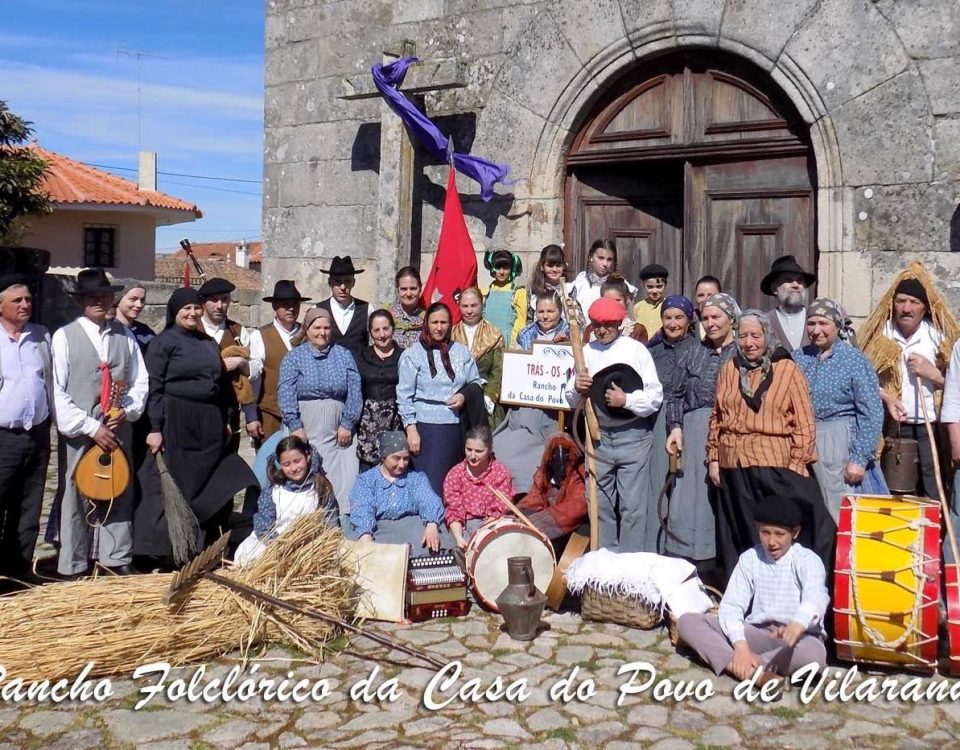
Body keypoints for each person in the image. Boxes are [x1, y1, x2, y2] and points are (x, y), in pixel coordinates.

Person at [707, 310, 834, 579]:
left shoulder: (786, 369)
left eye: (756, 335)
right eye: (742, 336)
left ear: (768, 336)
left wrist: (797, 463)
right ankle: (746, 597)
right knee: (742, 533)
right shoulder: (729, 369)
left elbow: (804, 419)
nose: (749, 343)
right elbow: (717, 417)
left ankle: (797, 592)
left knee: (788, 531)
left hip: (776, 467)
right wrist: (714, 457)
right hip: (735, 466)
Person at [136, 287, 259, 564]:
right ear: (175, 312)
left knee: (213, 481)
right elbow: (154, 387)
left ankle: (206, 547)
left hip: (209, 424)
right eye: (186, 309)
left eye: (195, 308)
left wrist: (228, 419)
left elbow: (222, 384)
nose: (192, 313)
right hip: (177, 423)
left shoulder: (207, 342)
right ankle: (173, 552)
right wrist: (154, 427)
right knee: (182, 487)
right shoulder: (164, 343)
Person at [49, 268, 148, 576]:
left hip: (118, 427)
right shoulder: (64, 337)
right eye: (93, 297)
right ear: (81, 302)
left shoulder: (124, 335)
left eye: (105, 296)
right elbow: (58, 392)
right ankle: (73, 564)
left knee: (118, 489)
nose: (100, 302)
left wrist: (125, 412)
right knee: (74, 494)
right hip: (81, 431)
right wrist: (91, 427)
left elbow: (139, 381)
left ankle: (116, 558)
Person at [676, 495, 829, 685]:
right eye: (765, 532)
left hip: (796, 638)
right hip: (757, 633)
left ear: (795, 533)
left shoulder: (807, 560)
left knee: (813, 655)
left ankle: (752, 665)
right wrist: (740, 646)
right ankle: (746, 669)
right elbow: (732, 604)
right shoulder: (750, 558)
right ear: (758, 529)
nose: (771, 541)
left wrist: (798, 623)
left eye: (779, 534)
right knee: (688, 622)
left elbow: (816, 595)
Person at [566, 296, 663, 551]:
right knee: (599, 504)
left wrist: (626, 399)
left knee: (632, 507)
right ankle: (604, 563)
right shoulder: (584, 352)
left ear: (620, 323)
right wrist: (577, 387)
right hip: (597, 438)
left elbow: (654, 396)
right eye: (597, 324)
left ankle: (629, 568)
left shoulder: (636, 350)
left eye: (608, 324)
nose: (601, 329)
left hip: (633, 436)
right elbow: (568, 396)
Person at [860, 263, 957, 503]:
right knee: (894, 489)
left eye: (914, 302)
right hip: (891, 429)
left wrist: (933, 374)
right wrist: (887, 397)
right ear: (892, 304)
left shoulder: (939, 339)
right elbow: (860, 381)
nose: (906, 308)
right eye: (901, 301)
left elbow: (956, 387)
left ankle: (934, 536)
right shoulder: (879, 338)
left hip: (930, 427)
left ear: (925, 308)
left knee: (932, 487)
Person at [794, 298, 887, 522]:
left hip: (840, 441)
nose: (816, 330)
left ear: (837, 325)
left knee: (841, 511)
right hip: (804, 441)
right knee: (811, 514)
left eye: (823, 323)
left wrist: (859, 458)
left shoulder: (854, 360)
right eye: (811, 323)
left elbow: (871, 411)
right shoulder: (798, 357)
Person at [663, 293, 739, 569]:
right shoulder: (693, 351)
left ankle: (726, 567)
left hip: (732, 431)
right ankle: (691, 564)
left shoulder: (743, 351)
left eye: (716, 317)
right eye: (706, 318)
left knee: (726, 496)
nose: (711, 323)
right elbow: (675, 394)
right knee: (691, 499)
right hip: (694, 431)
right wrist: (675, 428)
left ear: (731, 318)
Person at [278, 307, 361, 522]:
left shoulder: (343, 355)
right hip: (305, 423)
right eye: (317, 328)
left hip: (337, 425)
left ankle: (339, 521)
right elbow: (286, 391)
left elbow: (354, 389)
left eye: (326, 328)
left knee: (342, 475)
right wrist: (295, 426)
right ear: (307, 329)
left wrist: (348, 423)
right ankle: (305, 520)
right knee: (305, 470)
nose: (322, 332)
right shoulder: (294, 357)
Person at [396, 302, 485, 495]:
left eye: (443, 322)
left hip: (455, 427)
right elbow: (404, 396)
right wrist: (411, 430)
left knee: (451, 485)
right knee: (430, 485)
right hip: (425, 428)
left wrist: (463, 395)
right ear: (426, 324)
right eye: (434, 322)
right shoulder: (412, 355)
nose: (439, 327)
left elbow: (476, 383)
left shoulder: (461, 352)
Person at [0, 274, 52, 582]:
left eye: (28, 299)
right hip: (3, 436)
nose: (25, 305)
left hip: (37, 435)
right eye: (17, 300)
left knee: (29, 507)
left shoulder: (41, 336)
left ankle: (17, 571)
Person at [644, 295, 698, 554]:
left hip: (687, 420)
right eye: (668, 317)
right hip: (657, 423)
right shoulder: (651, 352)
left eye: (679, 317)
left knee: (684, 484)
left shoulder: (699, 350)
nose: (673, 323)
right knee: (657, 484)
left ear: (689, 320)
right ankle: (655, 547)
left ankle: (680, 548)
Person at [233, 435, 339, 565]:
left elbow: (330, 524)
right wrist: (281, 545)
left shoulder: (320, 488)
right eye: (287, 464)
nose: (294, 468)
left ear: (307, 456)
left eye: (297, 461)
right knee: (248, 553)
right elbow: (263, 525)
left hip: (308, 546)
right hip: (274, 543)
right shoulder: (274, 490)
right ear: (280, 464)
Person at [349, 431, 445, 550]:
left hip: (411, 530)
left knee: (439, 538)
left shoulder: (415, 478)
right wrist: (365, 534)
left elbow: (428, 499)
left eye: (405, 459)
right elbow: (362, 506)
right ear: (383, 457)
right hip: (379, 532)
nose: (401, 464)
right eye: (396, 458)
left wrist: (432, 524)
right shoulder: (366, 480)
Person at [246, 280, 310, 445]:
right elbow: (253, 380)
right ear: (275, 306)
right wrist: (251, 416)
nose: (291, 308)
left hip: (304, 417)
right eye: (285, 304)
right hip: (270, 416)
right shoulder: (260, 336)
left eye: (295, 304)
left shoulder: (309, 336)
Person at [199, 277, 257, 454]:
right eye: (214, 300)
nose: (219, 305)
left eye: (224, 299)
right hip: (199, 410)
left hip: (230, 411)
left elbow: (254, 372)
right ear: (203, 303)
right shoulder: (193, 329)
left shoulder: (238, 332)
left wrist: (240, 363)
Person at [442, 425, 514, 549]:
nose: (473, 456)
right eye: (469, 449)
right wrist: (459, 538)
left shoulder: (501, 472)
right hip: (464, 527)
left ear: (490, 450)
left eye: (479, 451)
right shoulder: (455, 473)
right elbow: (453, 510)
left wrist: (481, 534)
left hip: (492, 526)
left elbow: (500, 509)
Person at [516, 432, 587, 547]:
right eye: (554, 456)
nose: (560, 462)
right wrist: (519, 515)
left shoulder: (579, 476)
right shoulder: (544, 476)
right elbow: (535, 497)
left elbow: (576, 507)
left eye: (565, 454)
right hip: (549, 524)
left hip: (572, 527)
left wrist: (538, 521)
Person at [452, 287, 505, 429]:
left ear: (482, 305)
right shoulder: (451, 334)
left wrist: (489, 397)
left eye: (474, 305)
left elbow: (497, 370)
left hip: (485, 398)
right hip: (456, 398)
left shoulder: (494, 334)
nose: (469, 311)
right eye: (465, 306)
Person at [356, 309, 403, 469]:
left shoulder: (405, 357)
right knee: (367, 473)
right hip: (366, 426)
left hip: (395, 424)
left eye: (386, 329)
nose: (382, 335)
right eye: (377, 330)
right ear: (370, 333)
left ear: (393, 329)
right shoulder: (360, 356)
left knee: (394, 470)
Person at [567, 239, 636, 324]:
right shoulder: (579, 284)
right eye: (601, 258)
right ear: (591, 257)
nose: (605, 264)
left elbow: (630, 318)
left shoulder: (620, 285)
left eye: (609, 259)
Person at [317, 255, 369, 357]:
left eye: (347, 281)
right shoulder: (318, 309)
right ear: (329, 282)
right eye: (338, 282)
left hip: (358, 370)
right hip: (329, 370)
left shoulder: (366, 309)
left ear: (353, 282)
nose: (343, 287)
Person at [761, 255, 815, 352]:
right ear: (774, 289)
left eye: (800, 280)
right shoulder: (763, 323)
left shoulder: (816, 320)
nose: (796, 285)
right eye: (788, 280)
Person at [481, 249, 526, 347]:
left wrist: (513, 344)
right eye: (498, 267)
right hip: (487, 342)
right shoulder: (485, 292)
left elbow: (520, 322)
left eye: (505, 268)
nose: (501, 272)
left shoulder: (518, 292)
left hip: (508, 342)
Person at [583, 275, 647, 343]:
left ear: (627, 300)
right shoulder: (591, 329)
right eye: (608, 300)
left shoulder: (637, 330)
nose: (612, 304)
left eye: (617, 300)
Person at [526, 244, 569, 325]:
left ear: (563, 266)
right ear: (542, 266)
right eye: (550, 266)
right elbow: (529, 319)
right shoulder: (535, 290)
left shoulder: (569, 289)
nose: (554, 269)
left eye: (558, 266)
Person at [389, 266, 426, 349]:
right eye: (404, 289)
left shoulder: (427, 320)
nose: (408, 294)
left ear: (420, 288)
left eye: (413, 288)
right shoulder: (387, 317)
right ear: (397, 289)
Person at [113, 284, 155, 353]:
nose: (139, 305)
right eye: (133, 299)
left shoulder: (145, 331)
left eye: (142, 300)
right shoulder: (108, 329)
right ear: (118, 301)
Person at [633, 264, 669, 338]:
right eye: (650, 287)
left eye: (659, 286)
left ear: (665, 285)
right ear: (644, 286)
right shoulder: (638, 307)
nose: (654, 291)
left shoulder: (669, 306)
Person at [693, 275, 722, 340]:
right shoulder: (689, 325)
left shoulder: (732, 325)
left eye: (710, 295)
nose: (705, 299)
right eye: (701, 295)